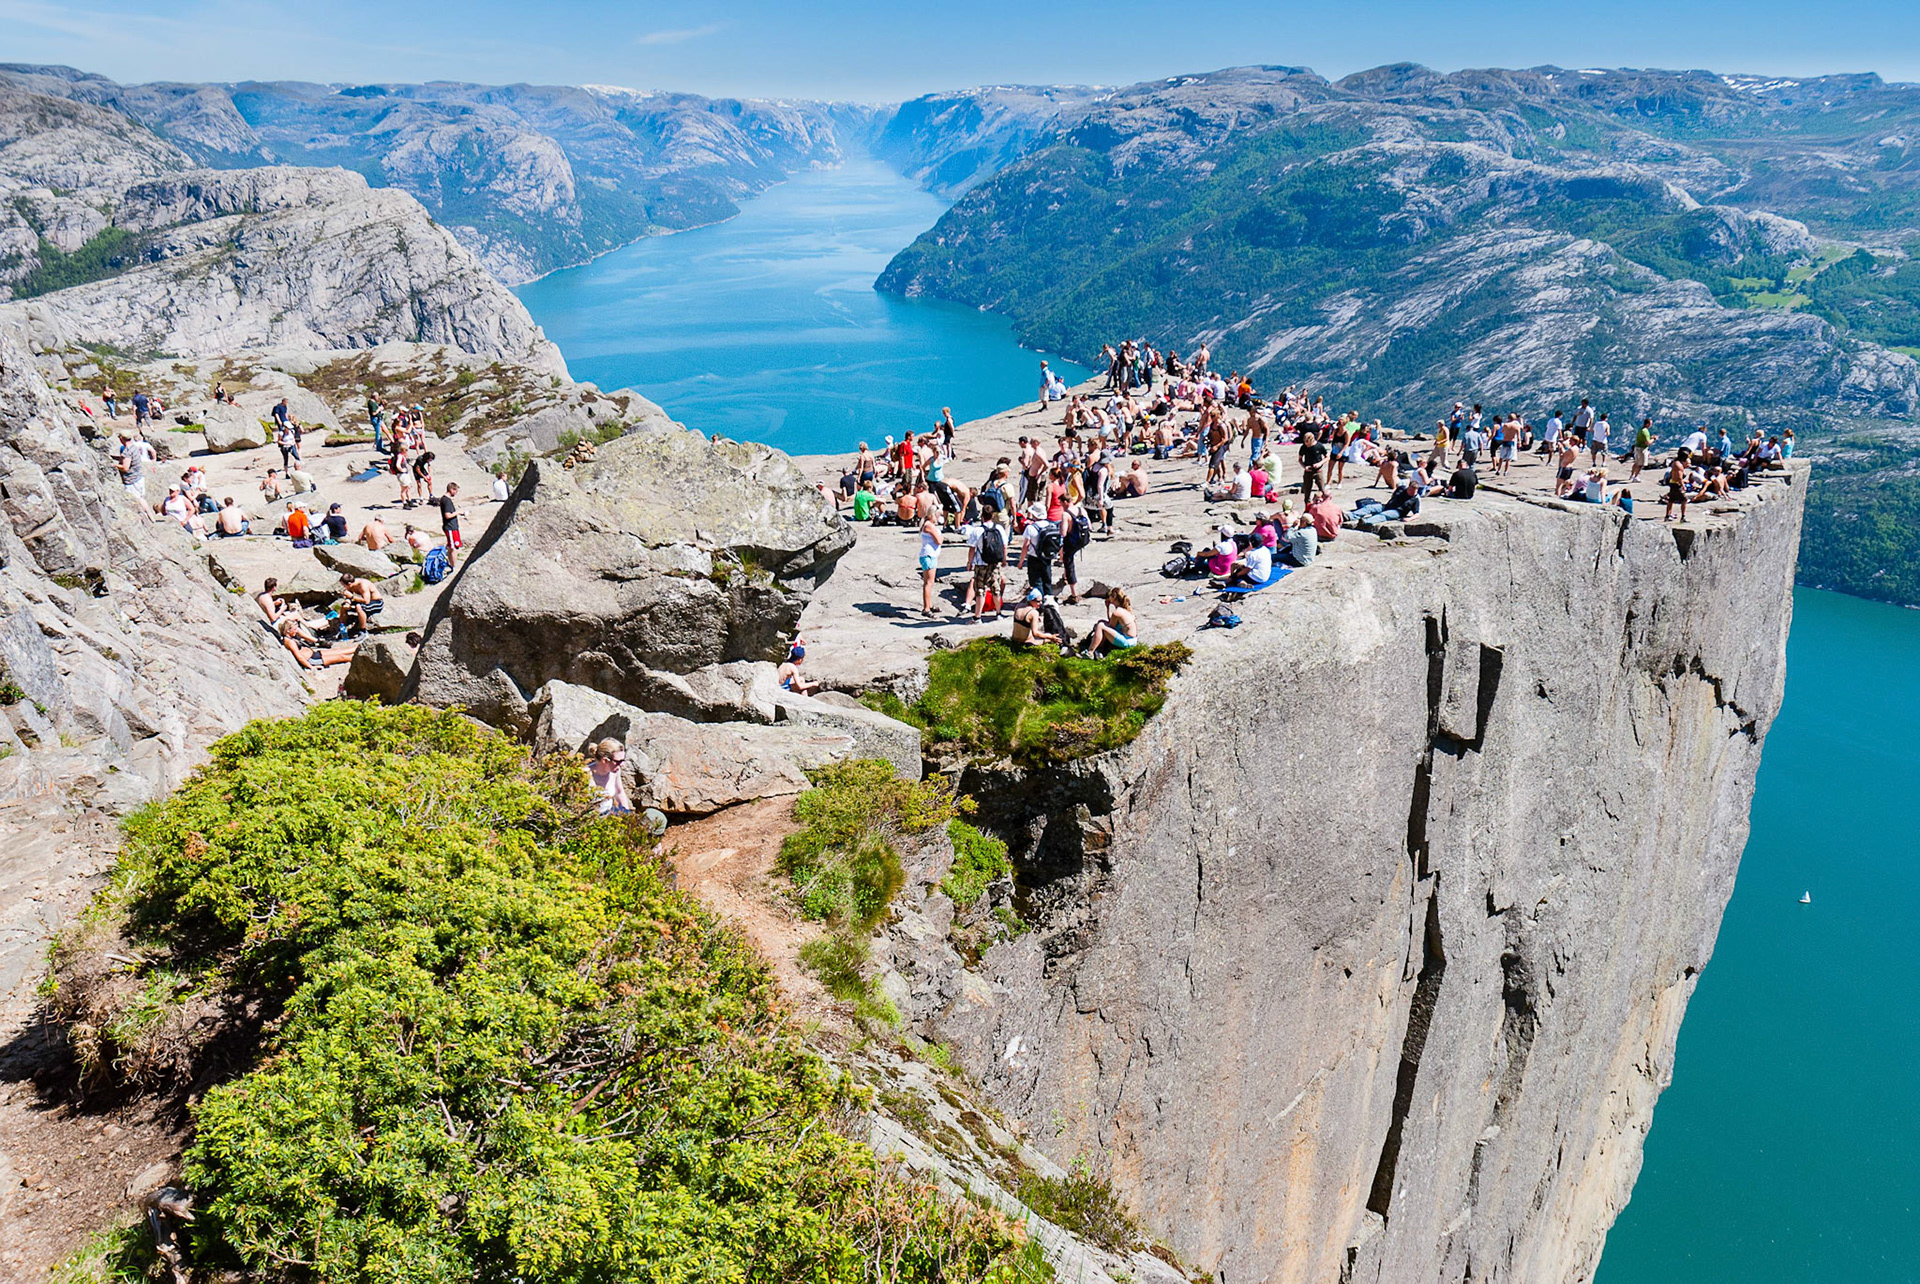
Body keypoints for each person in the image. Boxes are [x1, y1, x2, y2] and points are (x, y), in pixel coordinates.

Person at [971, 505, 1009, 621]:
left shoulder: (978, 530)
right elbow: (1004, 546)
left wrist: (969, 562)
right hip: (995, 563)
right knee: (996, 588)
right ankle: (998, 613)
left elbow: (972, 548)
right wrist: (1004, 559)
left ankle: (978, 617)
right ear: (993, 515)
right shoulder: (999, 529)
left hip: (981, 563)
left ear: (982, 516)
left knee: (980, 590)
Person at [1080, 587, 1137, 655]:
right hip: (1132, 640)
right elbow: (1112, 623)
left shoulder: (1117, 612)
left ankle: (1090, 652)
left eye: (1110, 596)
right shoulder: (1124, 609)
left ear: (1113, 597)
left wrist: (1098, 627)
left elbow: (1111, 626)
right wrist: (1108, 608)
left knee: (1100, 626)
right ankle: (1098, 648)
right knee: (1101, 623)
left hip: (1127, 642)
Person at [917, 510, 941, 617]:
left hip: (930, 555)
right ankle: (926, 608)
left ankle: (929, 605)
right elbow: (939, 540)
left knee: (929, 582)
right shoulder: (929, 526)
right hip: (928, 555)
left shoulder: (928, 524)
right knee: (929, 583)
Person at [438, 483, 463, 560]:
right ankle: (453, 565)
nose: (456, 493)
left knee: (451, 546)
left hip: (452, 526)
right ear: (451, 489)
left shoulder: (444, 499)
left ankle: (451, 563)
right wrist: (458, 512)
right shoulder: (447, 501)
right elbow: (448, 515)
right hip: (450, 527)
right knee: (453, 548)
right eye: (455, 491)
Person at [1663, 455, 1689, 523]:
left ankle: (1667, 516)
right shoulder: (1679, 466)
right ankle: (1683, 517)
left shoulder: (1675, 463)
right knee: (1684, 500)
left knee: (1671, 500)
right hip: (1676, 485)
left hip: (1672, 483)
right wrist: (1683, 486)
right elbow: (1679, 478)